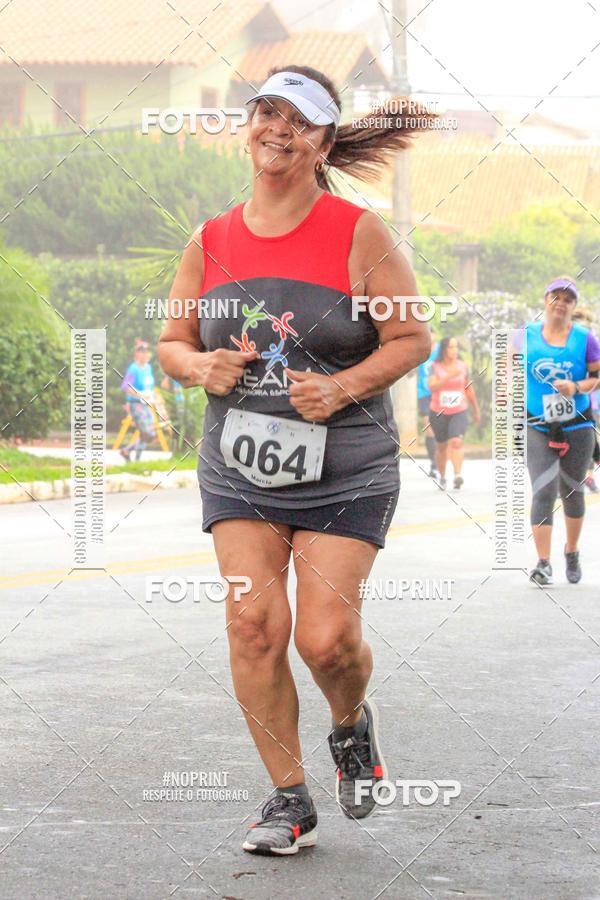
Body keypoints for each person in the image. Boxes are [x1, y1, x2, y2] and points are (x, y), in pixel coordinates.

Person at [157, 66, 434, 855]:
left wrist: (343, 386)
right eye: (267, 112)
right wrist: (197, 368)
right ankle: (288, 800)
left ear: (324, 143)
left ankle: (350, 726)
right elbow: (174, 343)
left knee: (325, 640)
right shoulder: (210, 239)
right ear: (249, 126)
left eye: (300, 120)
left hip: (346, 466)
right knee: (252, 624)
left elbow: (412, 337)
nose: (278, 128)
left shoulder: (358, 232)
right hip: (240, 466)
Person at [524, 277, 600, 585]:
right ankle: (543, 562)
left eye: (567, 299)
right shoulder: (524, 335)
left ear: (573, 306)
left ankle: (571, 551)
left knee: (572, 490)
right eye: (555, 296)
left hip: (577, 423)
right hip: (538, 424)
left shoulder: (586, 339)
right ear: (545, 300)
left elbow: (597, 378)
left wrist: (577, 386)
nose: (560, 303)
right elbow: (507, 372)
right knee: (543, 490)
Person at [428, 336, 480, 490]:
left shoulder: (463, 367)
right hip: (438, 412)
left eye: (456, 347)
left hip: (459, 410)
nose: (455, 350)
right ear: (444, 350)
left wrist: (476, 409)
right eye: (451, 347)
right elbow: (432, 387)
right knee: (442, 446)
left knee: (456, 441)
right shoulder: (435, 366)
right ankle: (443, 477)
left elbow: (468, 388)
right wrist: (449, 376)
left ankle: (458, 476)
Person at [572, 307, 600, 493]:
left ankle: (588, 475)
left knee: (589, 438)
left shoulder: (590, 341)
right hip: (572, 400)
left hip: (590, 399)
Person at [119, 340, 157, 462]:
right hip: (136, 404)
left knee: (149, 433)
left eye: (146, 352)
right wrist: (139, 394)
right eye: (142, 352)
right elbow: (125, 386)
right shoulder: (133, 368)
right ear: (137, 354)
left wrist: (152, 398)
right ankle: (134, 458)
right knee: (146, 432)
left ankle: (129, 453)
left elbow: (150, 387)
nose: (145, 354)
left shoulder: (149, 368)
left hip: (147, 404)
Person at [416, 327, 439, 478]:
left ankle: (439, 459)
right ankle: (434, 464)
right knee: (429, 428)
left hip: (440, 394)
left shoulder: (441, 353)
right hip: (424, 394)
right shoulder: (419, 352)